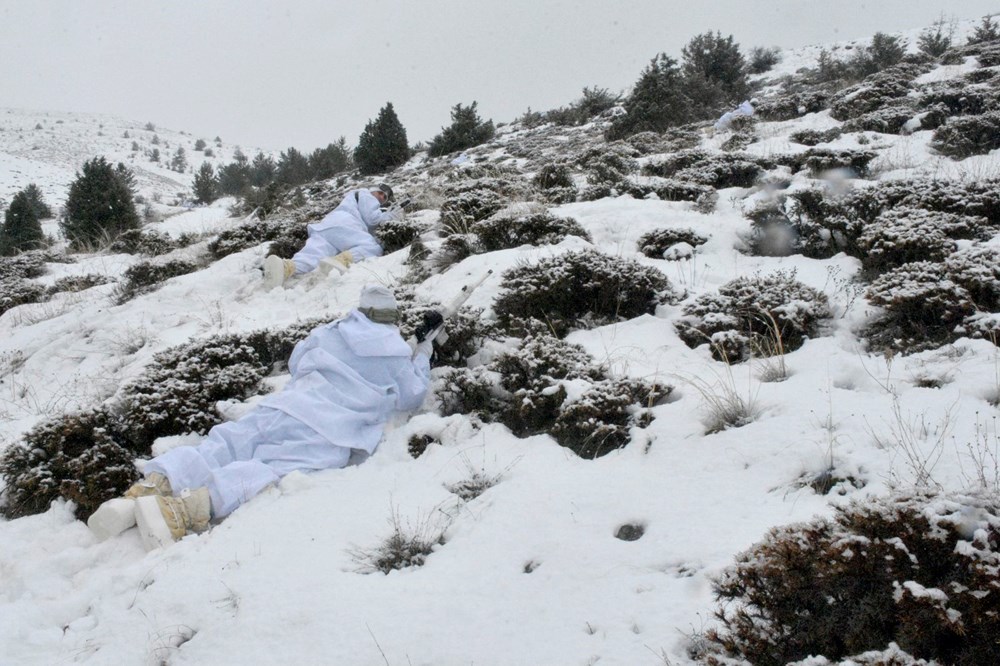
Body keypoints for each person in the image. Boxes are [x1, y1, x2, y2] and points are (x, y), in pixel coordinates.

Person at [88, 285, 440, 550]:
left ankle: (148, 489)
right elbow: (412, 395)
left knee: (226, 445)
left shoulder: (330, 331)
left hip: (284, 407)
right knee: (269, 466)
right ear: (393, 319)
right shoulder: (395, 352)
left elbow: (297, 363)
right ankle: (182, 510)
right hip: (327, 428)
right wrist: (423, 353)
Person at [262, 183, 399, 289]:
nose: (381, 197)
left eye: (384, 197)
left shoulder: (356, 198)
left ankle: (285, 268)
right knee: (373, 247)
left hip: (327, 227)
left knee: (312, 255)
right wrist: (390, 216)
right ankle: (341, 260)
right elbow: (372, 219)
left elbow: (369, 222)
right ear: (373, 190)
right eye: (380, 193)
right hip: (345, 225)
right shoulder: (366, 194)